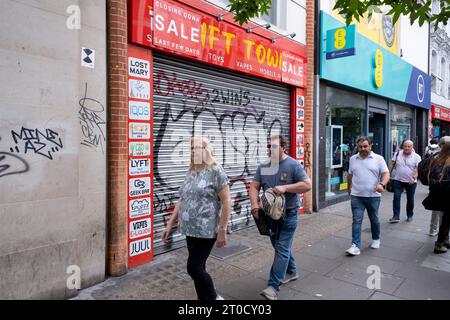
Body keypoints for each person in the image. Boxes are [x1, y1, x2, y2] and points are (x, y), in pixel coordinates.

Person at [162, 137, 231, 300]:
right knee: (200, 267)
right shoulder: (191, 171)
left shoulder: (215, 171)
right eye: (191, 148)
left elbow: (227, 200)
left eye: (196, 148)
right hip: (189, 229)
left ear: (205, 150)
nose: (192, 151)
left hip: (207, 229)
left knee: (193, 268)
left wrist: (223, 229)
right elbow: (182, 199)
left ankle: (214, 298)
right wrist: (170, 224)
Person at [249, 135, 311, 300]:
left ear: (284, 148)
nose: (270, 149)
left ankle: (272, 286)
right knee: (277, 245)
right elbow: (254, 187)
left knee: (282, 247)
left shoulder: (293, 165)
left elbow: (307, 185)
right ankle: (292, 271)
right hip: (269, 216)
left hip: (289, 214)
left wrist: (286, 187)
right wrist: (254, 204)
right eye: (269, 146)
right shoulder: (263, 167)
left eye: (274, 146)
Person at [346, 136, 390, 256]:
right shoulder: (353, 159)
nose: (363, 149)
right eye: (360, 146)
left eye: (365, 146)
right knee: (356, 220)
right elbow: (350, 175)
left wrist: (382, 184)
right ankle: (355, 245)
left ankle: (376, 239)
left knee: (374, 218)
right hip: (356, 195)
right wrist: (349, 187)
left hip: (373, 196)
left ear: (370, 146)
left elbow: (386, 174)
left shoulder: (379, 159)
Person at [387, 140, 421, 223]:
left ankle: (410, 215)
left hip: (411, 182)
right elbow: (392, 164)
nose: (406, 148)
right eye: (405, 146)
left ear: (412, 147)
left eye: (409, 146)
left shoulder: (417, 157)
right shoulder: (398, 153)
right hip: (398, 180)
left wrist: (414, 177)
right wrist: (387, 175)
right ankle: (396, 216)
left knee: (410, 199)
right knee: (396, 198)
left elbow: (418, 169)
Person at [425, 140, 450, 253]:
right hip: (446, 195)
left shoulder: (437, 159)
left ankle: (444, 240)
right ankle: (440, 243)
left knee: (446, 219)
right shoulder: (446, 162)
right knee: (446, 220)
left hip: (439, 195)